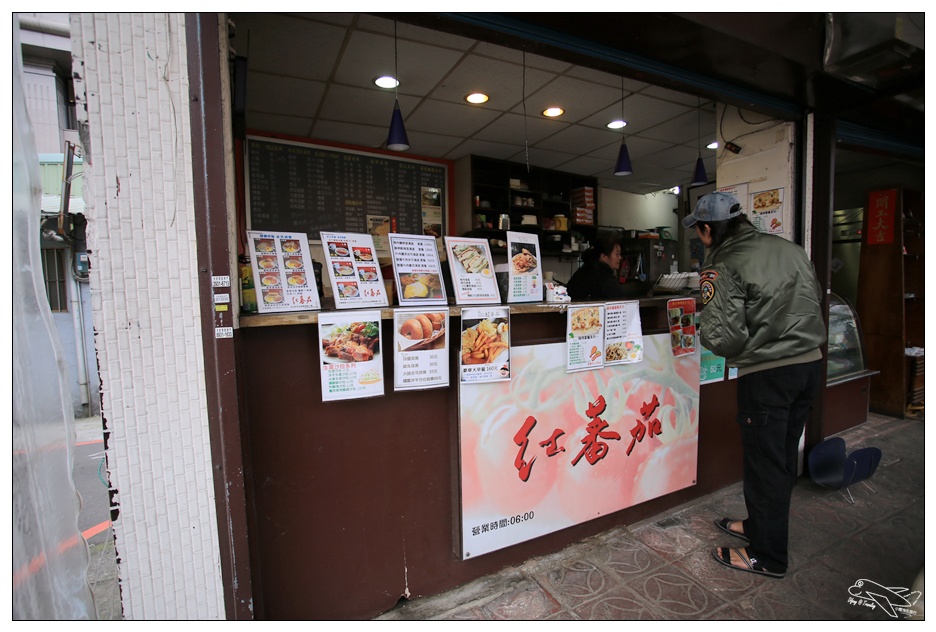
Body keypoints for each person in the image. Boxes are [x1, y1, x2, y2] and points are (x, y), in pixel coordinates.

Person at [683, 191, 826, 579]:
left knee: (765, 465)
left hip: (767, 375)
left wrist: (703, 325)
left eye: (699, 232)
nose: (700, 238)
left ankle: (768, 556)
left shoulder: (724, 263)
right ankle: (759, 527)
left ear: (708, 229)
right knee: (778, 459)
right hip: (810, 367)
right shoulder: (790, 249)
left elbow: (724, 338)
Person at [565, 235, 627, 301]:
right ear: (603, 257)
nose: (620, 258)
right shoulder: (606, 280)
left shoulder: (582, 271)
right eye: (617, 254)